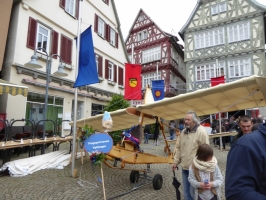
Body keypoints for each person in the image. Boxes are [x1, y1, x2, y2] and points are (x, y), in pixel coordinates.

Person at [172, 110, 209, 200]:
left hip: (195, 169)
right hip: (185, 168)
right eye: (185, 119)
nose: (186, 121)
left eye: (188, 120)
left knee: (194, 194)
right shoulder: (183, 132)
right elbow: (179, 148)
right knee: (186, 193)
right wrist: (175, 162)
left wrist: (203, 167)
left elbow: (206, 151)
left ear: (194, 121)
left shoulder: (201, 132)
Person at [225, 123, 266, 199]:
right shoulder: (246, 145)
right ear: (239, 126)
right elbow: (237, 193)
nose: (246, 129)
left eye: (248, 126)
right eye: (244, 126)